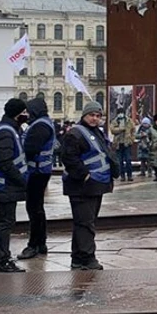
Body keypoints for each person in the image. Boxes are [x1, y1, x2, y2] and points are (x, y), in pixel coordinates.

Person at [60, 101, 118, 270]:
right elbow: (69, 157)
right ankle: (88, 257)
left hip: (96, 184)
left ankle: (78, 258)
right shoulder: (75, 134)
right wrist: (84, 175)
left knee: (85, 222)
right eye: (92, 115)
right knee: (85, 223)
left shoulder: (97, 133)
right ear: (84, 115)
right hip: (81, 185)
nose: (95, 118)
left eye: (98, 116)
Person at [0, 98, 29, 272]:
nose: (26, 115)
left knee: (0, 222)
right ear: (17, 113)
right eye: (24, 112)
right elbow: (6, 162)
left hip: (2, 183)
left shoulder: (7, 128)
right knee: (5, 222)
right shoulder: (6, 132)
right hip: (6, 184)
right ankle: (3, 260)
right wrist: (21, 181)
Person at [17, 98, 56, 260]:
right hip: (41, 170)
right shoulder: (43, 123)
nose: (26, 114)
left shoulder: (40, 126)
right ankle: (41, 243)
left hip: (36, 171)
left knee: (34, 208)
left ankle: (34, 244)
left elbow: (30, 148)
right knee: (37, 208)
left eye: (28, 111)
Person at [109, 108, 135, 182]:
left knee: (128, 160)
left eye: (122, 113)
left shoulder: (129, 121)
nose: (120, 114)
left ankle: (129, 175)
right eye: (119, 113)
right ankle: (122, 176)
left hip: (127, 143)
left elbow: (133, 130)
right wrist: (120, 129)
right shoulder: (115, 121)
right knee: (119, 161)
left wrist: (132, 139)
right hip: (118, 144)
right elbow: (112, 130)